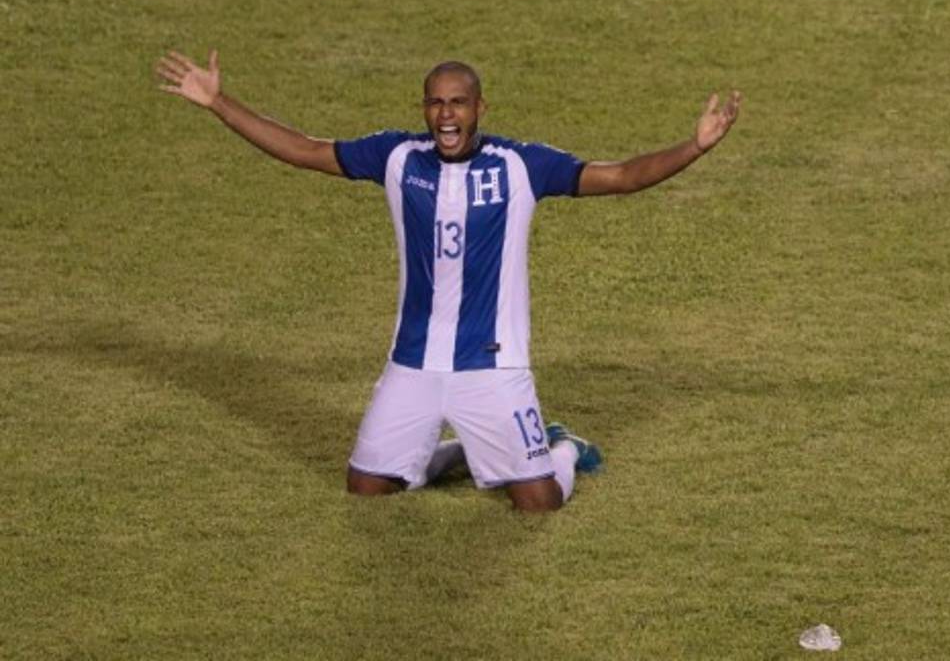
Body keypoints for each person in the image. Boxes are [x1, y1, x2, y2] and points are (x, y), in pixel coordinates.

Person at [155, 49, 741, 512]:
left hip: (493, 365)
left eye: (458, 103)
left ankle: (562, 445)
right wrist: (218, 103)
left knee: (537, 502)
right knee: (366, 488)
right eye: (436, 103)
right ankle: (464, 449)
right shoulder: (395, 157)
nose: (446, 115)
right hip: (414, 362)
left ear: (480, 108)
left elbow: (621, 177)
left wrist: (694, 147)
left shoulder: (521, 166)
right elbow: (306, 150)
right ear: (424, 108)